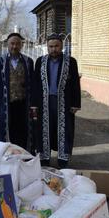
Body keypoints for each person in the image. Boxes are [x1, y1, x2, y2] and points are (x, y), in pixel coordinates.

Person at [32, 33, 81, 169]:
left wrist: (76, 103)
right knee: (44, 130)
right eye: (51, 46)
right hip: (44, 102)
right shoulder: (40, 61)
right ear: (47, 47)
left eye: (56, 46)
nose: (54, 49)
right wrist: (34, 104)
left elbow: (76, 83)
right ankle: (44, 159)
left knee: (65, 130)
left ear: (62, 46)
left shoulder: (70, 61)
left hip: (64, 102)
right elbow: (36, 84)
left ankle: (63, 160)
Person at [0, 32, 34, 151]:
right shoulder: (0, 61)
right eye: (12, 44)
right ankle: (7, 155)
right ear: (7, 45)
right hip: (6, 104)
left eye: (17, 44)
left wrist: (33, 105)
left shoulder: (28, 61)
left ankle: (23, 155)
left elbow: (33, 83)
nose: (14, 46)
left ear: (21, 45)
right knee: (6, 130)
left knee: (23, 130)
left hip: (23, 104)